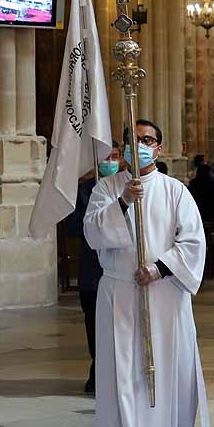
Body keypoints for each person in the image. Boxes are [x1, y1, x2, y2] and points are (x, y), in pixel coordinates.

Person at [83, 119, 210, 427]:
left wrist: (159, 268)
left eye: (147, 140)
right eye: (132, 140)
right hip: (120, 294)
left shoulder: (175, 191)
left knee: (168, 372)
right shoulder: (106, 189)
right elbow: (93, 233)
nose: (139, 145)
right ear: (122, 148)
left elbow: (193, 243)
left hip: (165, 294)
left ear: (158, 148)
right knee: (123, 376)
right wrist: (124, 201)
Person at [65, 141, 123, 395]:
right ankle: (98, 368)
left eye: (115, 156)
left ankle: (119, 373)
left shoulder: (129, 189)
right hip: (92, 271)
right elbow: (72, 227)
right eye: (105, 157)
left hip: (122, 271)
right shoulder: (84, 191)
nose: (110, 161)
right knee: (94, 323)